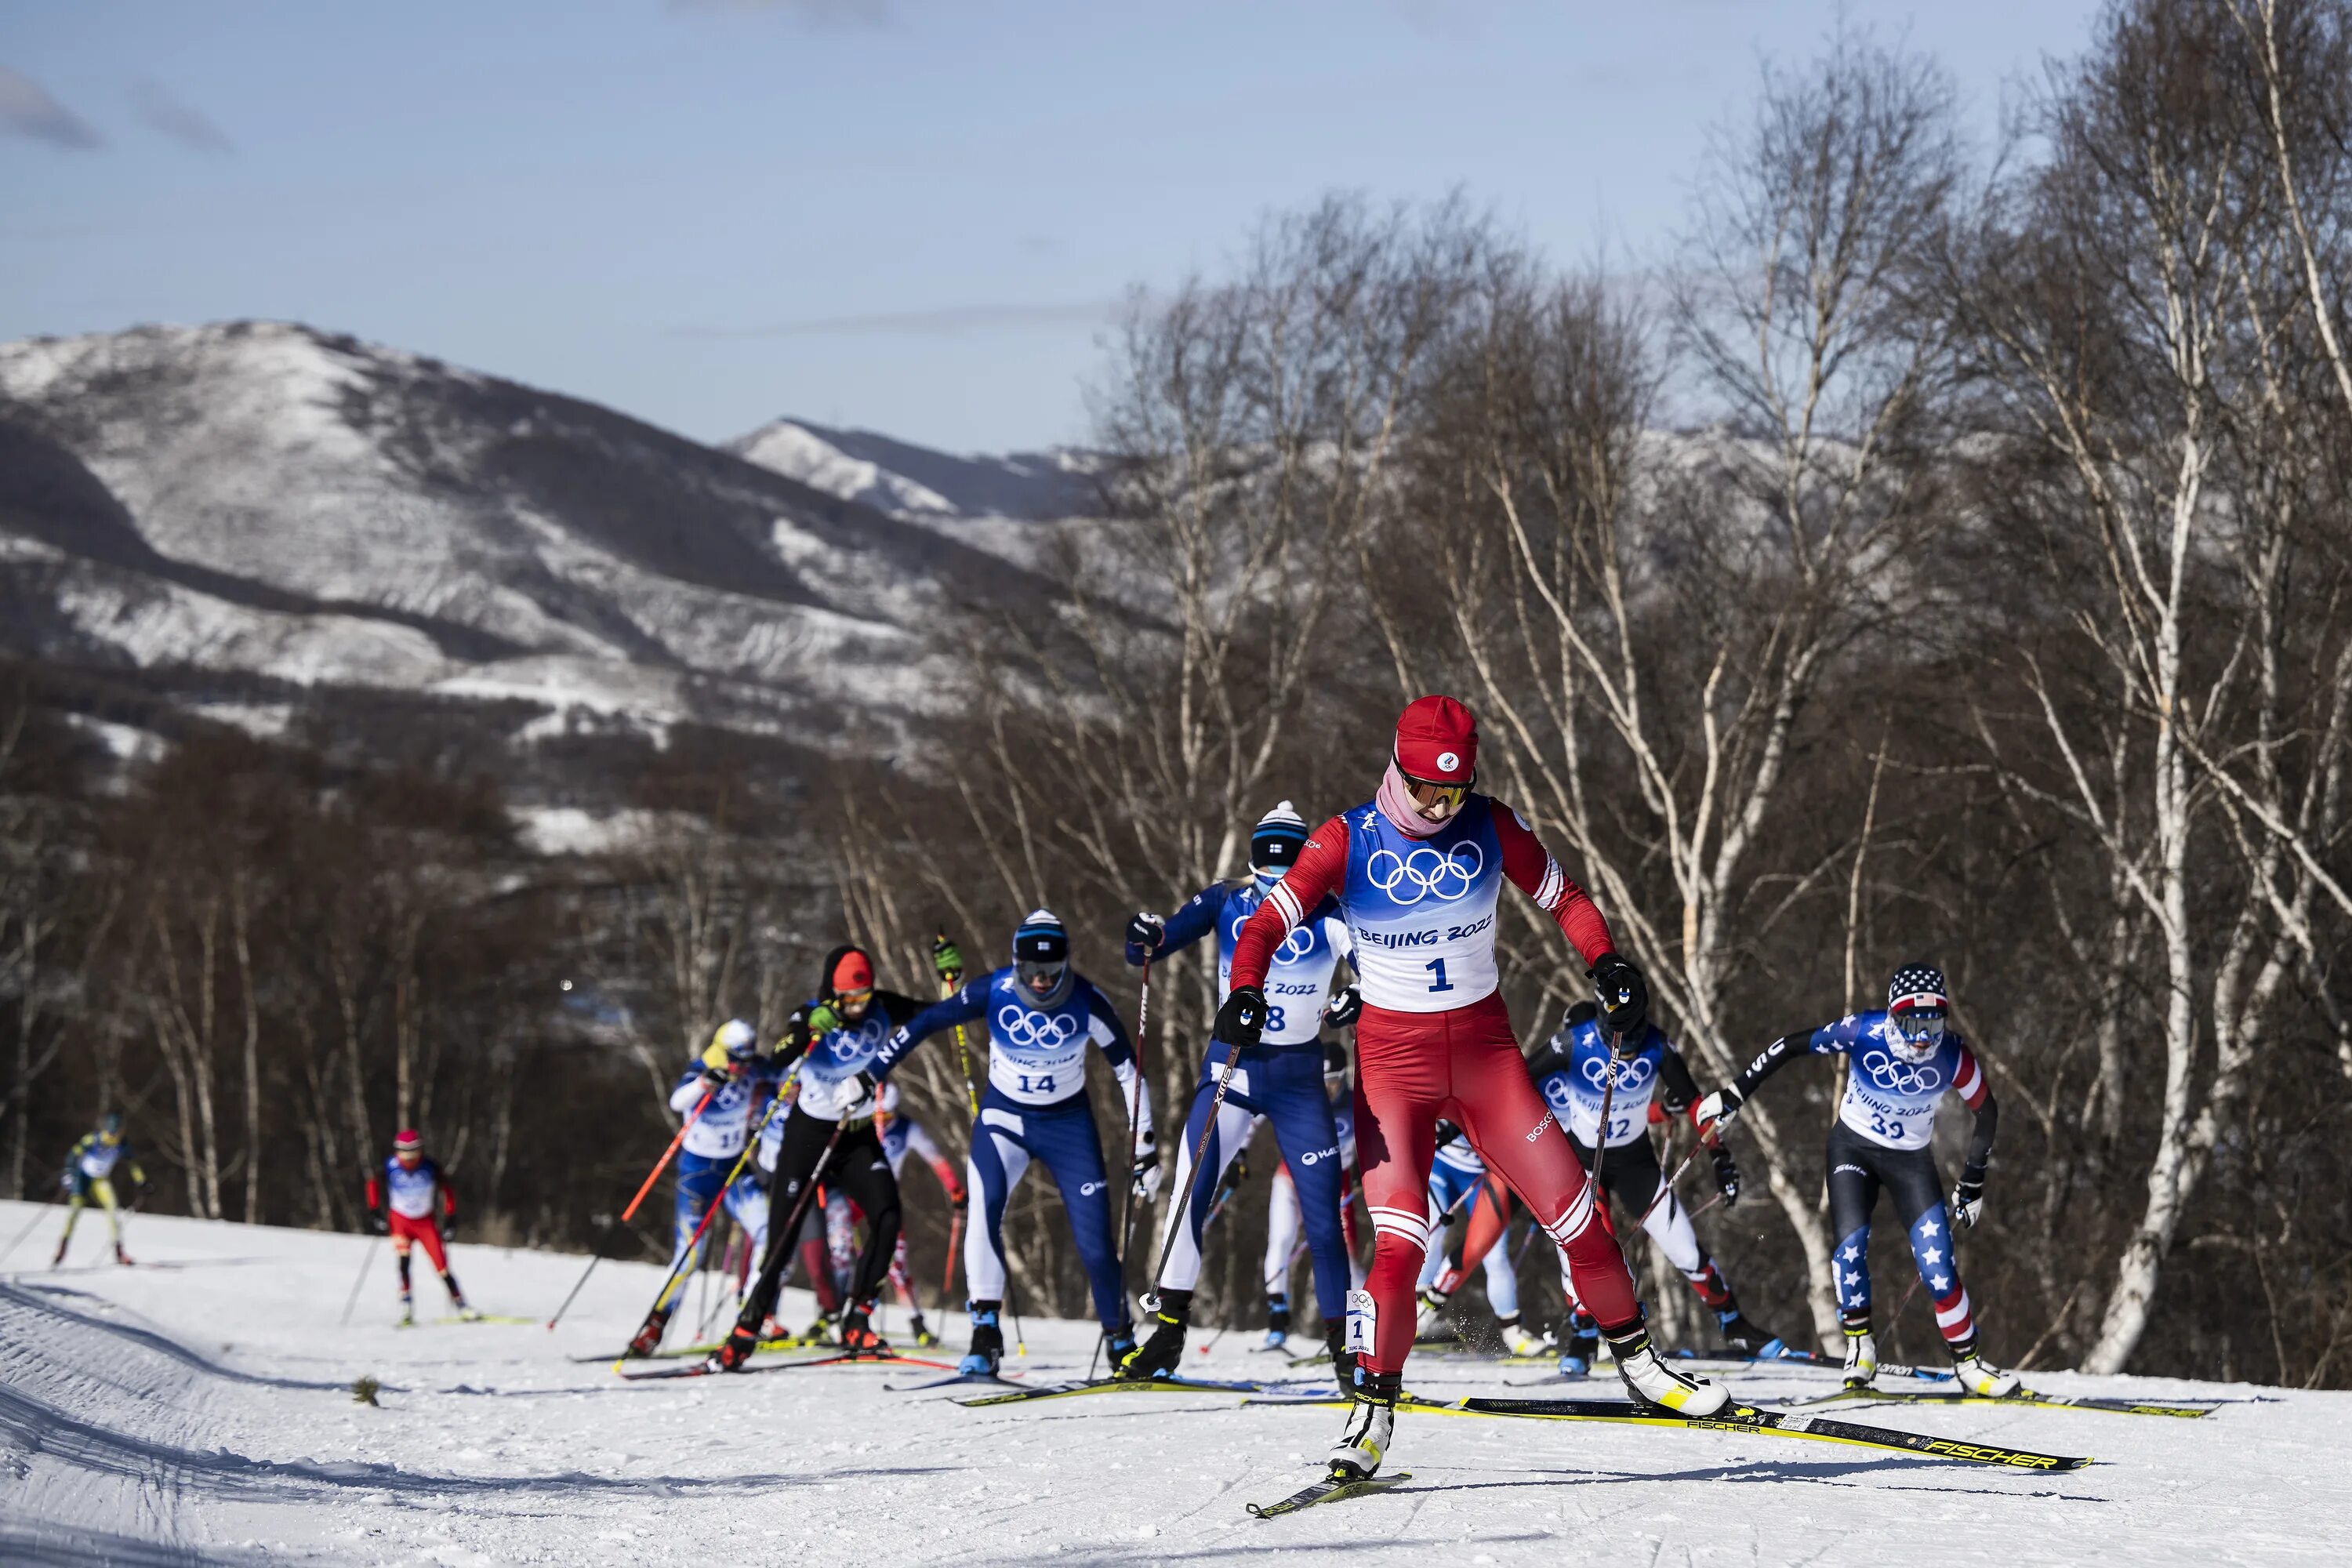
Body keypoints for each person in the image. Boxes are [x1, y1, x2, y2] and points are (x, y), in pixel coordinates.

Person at [1221, 695, 1726, 1481]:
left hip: (1488, 1058)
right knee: (1399, 1243)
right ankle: (1372, 1415)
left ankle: (1643, 1365)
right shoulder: (1345, 838)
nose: (1439, 805)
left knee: (1580, 1216)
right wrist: (1247, 985)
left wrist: (1608, 962)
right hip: (1395, 1066)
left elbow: (1567, 898)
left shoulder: (1490, 824)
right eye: (1425, 788)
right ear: (1397, 768)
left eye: (1454, 791)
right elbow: (1262, 926)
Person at [1695, 962, 2016, 1396]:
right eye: (1910, 1022)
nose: (1922, 1037)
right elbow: (1791, 1046)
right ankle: (1861, 1345)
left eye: (1932, 1022)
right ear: (1891, 1016)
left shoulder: (1952, 1055)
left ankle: (1970, 1364)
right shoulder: (1864, 1031)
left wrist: (1973, 1182)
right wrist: (1734, 1095)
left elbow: (1987, 1110)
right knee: (1849, 1252)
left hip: (1910, 1161)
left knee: (1938, 1264)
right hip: (1853, 1151)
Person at [1119, 803, 1358, 1378]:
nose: (1276, 895)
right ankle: (1168, 1337)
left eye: (1287, 880)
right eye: (1265, 879)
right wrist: (1143, 935)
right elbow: (1148, 949)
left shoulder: (1330, 911)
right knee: (1188, 1193)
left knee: (1323, 1216)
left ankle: (1345, 1354)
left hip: (1300, 1083)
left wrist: (1358, 996)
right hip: (1231, 1069)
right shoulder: (1227, 900)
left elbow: (1370, 965)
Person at [870, 911, 1158, 1377]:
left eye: (1050, 971)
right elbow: (924, 1024)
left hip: (1068, 1128)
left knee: (1096, 1245)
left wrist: (1145, 1145)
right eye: (1030, 971)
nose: (1041, 982)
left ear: (1065, 964)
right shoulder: (994, 990)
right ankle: (985, 1334)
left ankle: (1120, 1341)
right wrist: (871, 1075)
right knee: (983, 1218)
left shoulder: (1087, 1000)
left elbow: (1130, 1070)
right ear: (1015, 963)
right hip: (1003, 1121)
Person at [1526, 1000, 1778, 1371]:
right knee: (1591, 1252)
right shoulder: (1572, 1042)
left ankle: (1734, 1324)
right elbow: (1515, 1079)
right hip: (1584, 1164)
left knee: (1685, 1249)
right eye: (1621, 1048)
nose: (1629, 1055)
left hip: (1636, 1164)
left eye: (1634, 1045)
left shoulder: (1657, 1044)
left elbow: (1695, 1102)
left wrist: (1719, 1156)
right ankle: (1582, 1335)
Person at [710, 945, 928, 1370]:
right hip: (808, 1136)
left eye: (862, 998)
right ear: (832, 991)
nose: (855, 1007)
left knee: (888, 1215)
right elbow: (780, 1055)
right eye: (847, 999)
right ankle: (746, 1330)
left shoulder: (882, 1008)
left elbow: (935, 1013)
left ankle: (857, 1317)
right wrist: (810, 1028)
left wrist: (953, 983)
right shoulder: (810, 1012)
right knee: (784, 1235)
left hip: (857, 1136)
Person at [625, 1018, 779, 1357]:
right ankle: (654, 1328)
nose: (740, 1067)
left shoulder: (754, 1068)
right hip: (697, 1175)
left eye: (746, 1060)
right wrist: (704, 1085)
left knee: (769, 1232)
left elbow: (783, 1071)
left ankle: (752, 1318)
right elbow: (678, 1101)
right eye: (735, 1060)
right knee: (690, 1255)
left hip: (735, 1169)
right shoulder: (703, 1067)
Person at [1261, 1036, 1367, 1350]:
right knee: (1281, 1240)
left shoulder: (1355, 1105)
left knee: (1347, 1255)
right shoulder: (1303, 1099)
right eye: (1322, 1081)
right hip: (1292, 1180)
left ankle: (1361, 1328)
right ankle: (1277, 1321)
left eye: (1334, 1080)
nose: (1328, 1088)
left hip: (1337, 1184)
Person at [1409, 1124, 1540, 1355]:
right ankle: (1415, 1316)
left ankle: (1513, 1333)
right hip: (1441, 1164)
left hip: (1483, 1175)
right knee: (1430, 1232)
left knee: (1496, 1255)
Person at [365, 1128, 475, 1325]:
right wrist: (375, 1212)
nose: (408, 1160)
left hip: (425, 1223)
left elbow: (447, 1191)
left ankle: (462, 1306)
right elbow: (372, 1185)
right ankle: (406, 1306)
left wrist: (451, 1218)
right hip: (400, 1221)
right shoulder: (389, 1166)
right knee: (404, 1261)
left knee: (442, 1267)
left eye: (413, 1154)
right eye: (404, 1154)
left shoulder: (430, 1166)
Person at [54, 1112, 144, 1267]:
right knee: (74, 1212)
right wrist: (69, 1172)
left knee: (113, 1209)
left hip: (101, 1180)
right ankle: (62, 1247)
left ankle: (119, 1252)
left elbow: (132, 1163)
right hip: (84, 1178)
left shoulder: (122, 1143)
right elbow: (73, 1155)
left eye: (117, 1132)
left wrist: (142, 1181)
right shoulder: (93, 1139)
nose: (114, 1136)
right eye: (112, 1132)